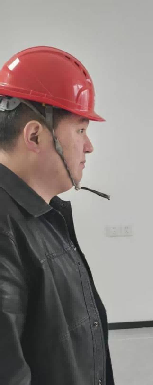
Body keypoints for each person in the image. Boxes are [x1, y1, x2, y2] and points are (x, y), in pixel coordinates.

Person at [0, 46, 113, 385]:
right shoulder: (5, 229)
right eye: (80, 130)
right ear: (35, 135)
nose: (89, 146)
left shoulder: (43, 215)